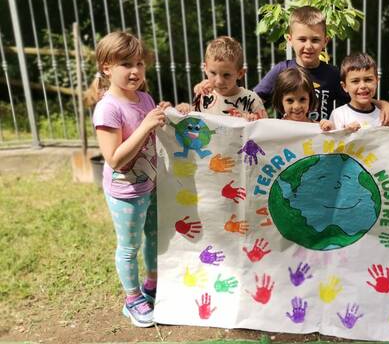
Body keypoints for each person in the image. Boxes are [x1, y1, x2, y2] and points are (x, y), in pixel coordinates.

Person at [89, 31, 171, 328]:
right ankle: (132, 298)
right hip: (125, 191)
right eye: (126, 64)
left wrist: (163, 114)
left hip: (150, 183)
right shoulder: (108, 107)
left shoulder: (145, 97)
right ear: (107, 67)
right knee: (128, 246)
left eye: (139, 63)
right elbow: (114, 158)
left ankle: (152, 285)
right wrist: (147, 123)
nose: (135, 70)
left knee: (154, 236)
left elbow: (152, 134)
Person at [252, 6, 389, 127]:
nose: (308, 46)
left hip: (321, 145)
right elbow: (254, 99)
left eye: (315, 40)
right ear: (290, 40)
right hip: (289, 144)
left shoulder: (332, 74)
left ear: (325, 41)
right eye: (302, 39)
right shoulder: (280, 70)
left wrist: (384, 105)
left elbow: (357, 97)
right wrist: (254, 116)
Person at [180, 36, 266, 120]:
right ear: (205, 69)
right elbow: (194, 124)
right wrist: (185, 110)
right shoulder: (204, 96)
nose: (219, 82)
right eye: (213, 73)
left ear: (240, 73)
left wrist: (252, 120)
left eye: (226, 75)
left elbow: (265, 129)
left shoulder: (252, 100)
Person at [320, 52, 381, 132]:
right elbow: (333, 142)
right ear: (344, 86)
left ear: (377, 81)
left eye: (368, 80)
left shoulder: (383, 116)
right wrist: (345, 132)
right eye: (355, 81)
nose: (362, 86)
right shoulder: (339, 115)